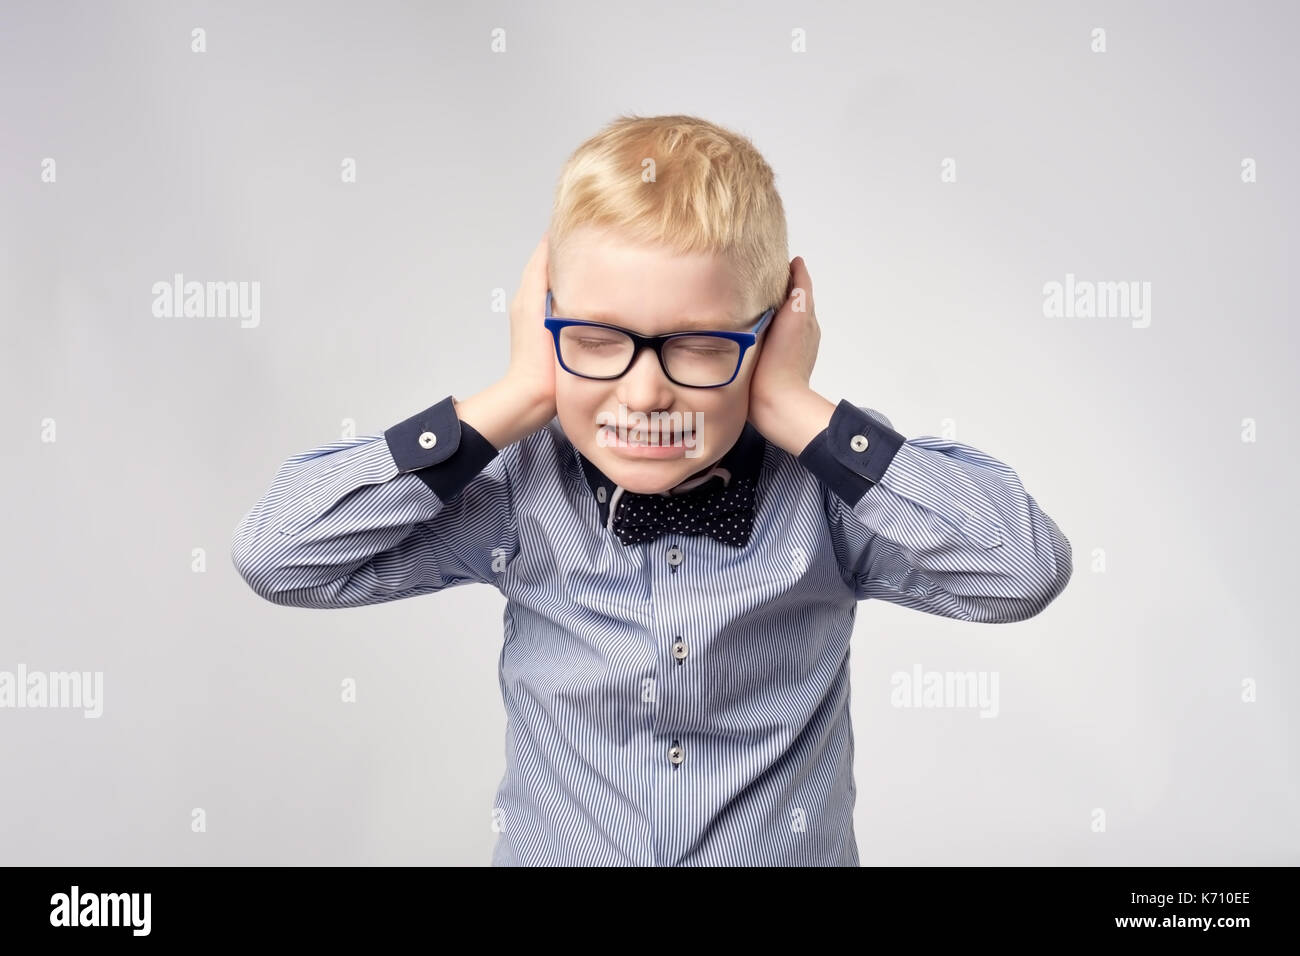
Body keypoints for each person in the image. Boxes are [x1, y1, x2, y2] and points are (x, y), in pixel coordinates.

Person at [231, 114, 1073, 866]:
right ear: (546, 319)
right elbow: (278, 556)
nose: (642, 395)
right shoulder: (521, 485)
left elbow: (1023, 571)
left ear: (776, 328)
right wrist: (520, 395)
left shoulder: (830, 488)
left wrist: (797, 408)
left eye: (700, 346)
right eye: (596, 339)